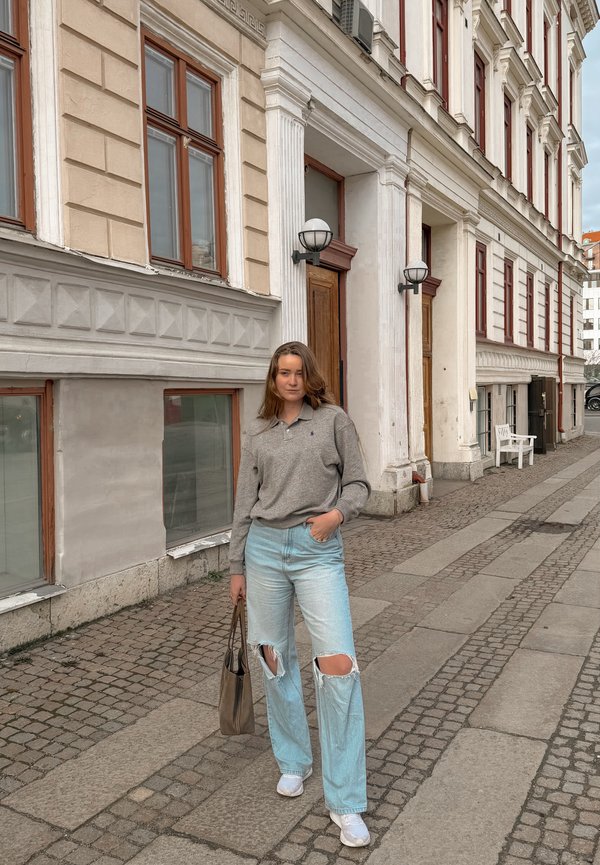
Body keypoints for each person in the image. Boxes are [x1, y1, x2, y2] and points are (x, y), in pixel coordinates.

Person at [229, 341, 371, 848]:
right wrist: (236, 565)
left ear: (309, 376)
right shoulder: (257, 431)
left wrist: (336, 516)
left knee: (338, 665)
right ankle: (293, 759)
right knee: (273, 656)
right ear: (273, 379)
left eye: (297, 372)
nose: (290, 380)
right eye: (282, 373)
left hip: (317, 550)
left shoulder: (334, 421)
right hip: (264, 550)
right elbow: (244, 502)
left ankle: (347, 802)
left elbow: (359, 485)